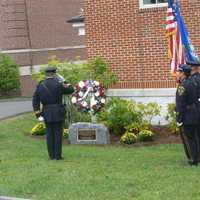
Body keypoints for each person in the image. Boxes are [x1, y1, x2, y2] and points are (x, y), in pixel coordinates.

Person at [32, 66, 74, 160]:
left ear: (46, 74)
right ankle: (58, 156)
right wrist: (65, 81)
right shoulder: (59, 84)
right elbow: (71, 90)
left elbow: (35, 100)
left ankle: (51, 156)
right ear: (54, 74)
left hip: (46, 112)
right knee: (58, 134)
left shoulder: (40, 85)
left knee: (49, 134)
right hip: (58, 111)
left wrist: (38, 114)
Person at [175, 64, 199, 166]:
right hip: (196, 113)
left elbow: (180, 104)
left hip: (188, 115)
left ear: (183, 73)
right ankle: (197, 157)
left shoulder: (182, 86)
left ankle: (193, 159)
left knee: (190, 138)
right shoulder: (194, 82)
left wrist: (179, 119)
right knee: (197, 136)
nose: (177, 73)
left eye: (179, 72)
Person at [188, 61, 200, 162]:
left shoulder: (193, 80)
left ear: (194, 68)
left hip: (196, 110)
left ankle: (196, 156)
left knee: (195, 135)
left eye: (190, 66)